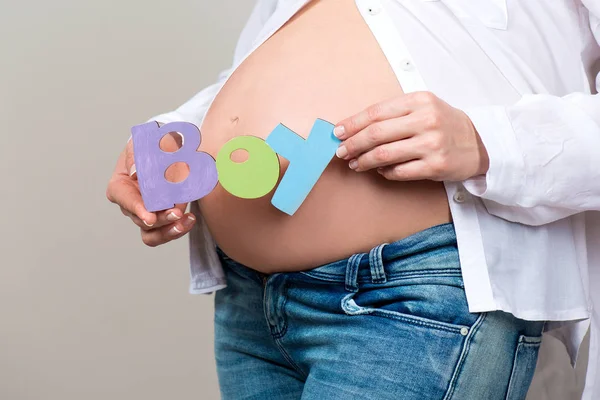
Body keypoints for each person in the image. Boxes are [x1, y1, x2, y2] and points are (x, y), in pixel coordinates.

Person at [106, 0, 600, 398]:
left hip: (412, 290)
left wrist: (490, 140)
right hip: (248, 300)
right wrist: (180, 136)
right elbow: (260, 68)